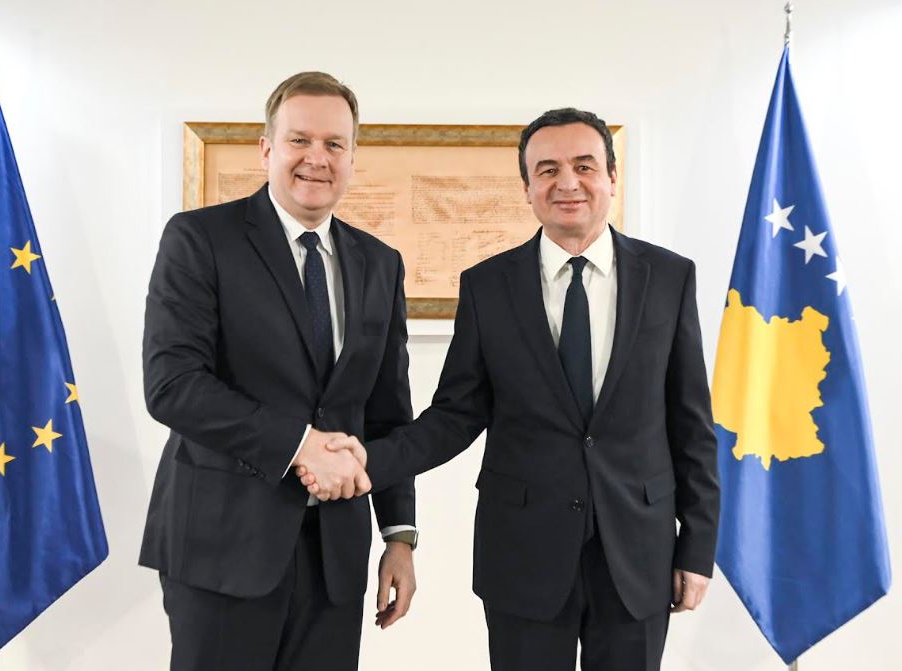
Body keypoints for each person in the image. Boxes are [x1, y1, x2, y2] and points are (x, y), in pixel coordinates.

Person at [301, 108, 720, 671]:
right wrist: (365, 462)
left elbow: (691, 423)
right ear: (527, 188)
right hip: (524, 556)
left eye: (584, 166)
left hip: (639, 554)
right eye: (547, 170)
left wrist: (698, 546)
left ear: (611, 178)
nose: (567, 183)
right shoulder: (487, 286)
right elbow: (454, 416)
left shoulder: (669, 277)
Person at [140, 71, 419, 671]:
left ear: (352, 157)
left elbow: (387, 411)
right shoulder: (200, 239)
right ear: (266, 149)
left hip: (335, 557)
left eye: (334, 144)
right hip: (222, 547)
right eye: (299, 140)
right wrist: (301, 446)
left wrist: (399, 535)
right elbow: (172, 386)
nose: (317, 158)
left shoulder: (380, 263)